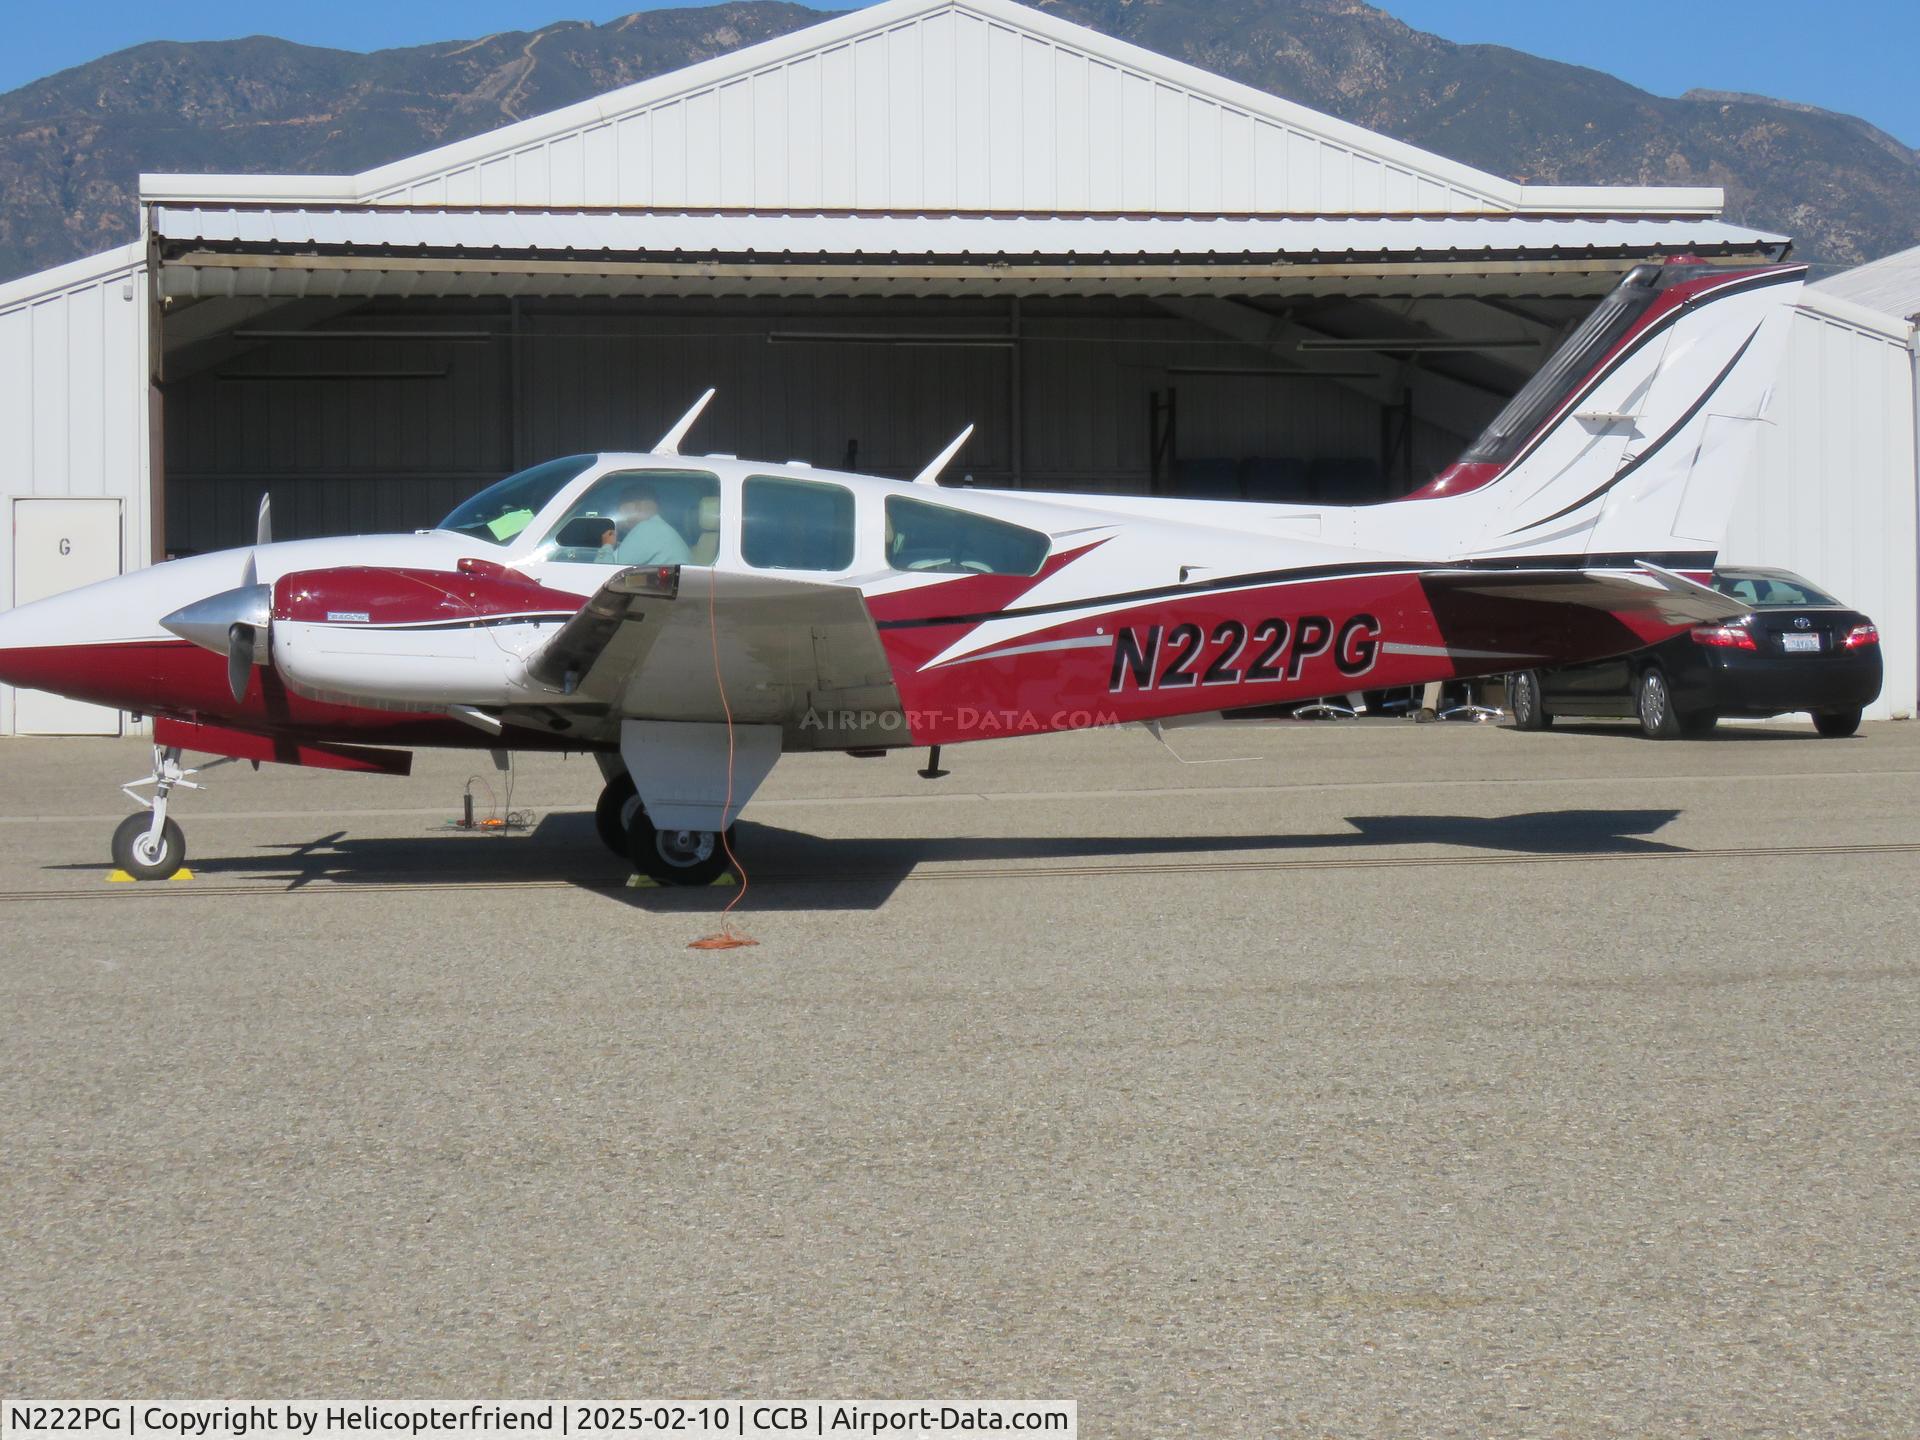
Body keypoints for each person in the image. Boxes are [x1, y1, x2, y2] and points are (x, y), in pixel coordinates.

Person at [611, 487, 692, 565]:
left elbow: (607, 567)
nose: (621, 515)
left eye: (622, 510)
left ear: (637, 507)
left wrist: (607, 545)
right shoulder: (658, 528)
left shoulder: (647, 529)